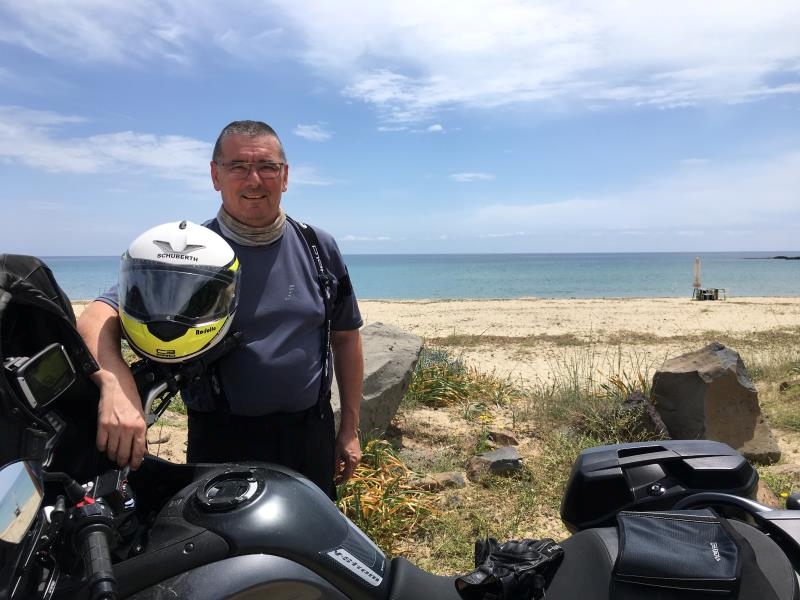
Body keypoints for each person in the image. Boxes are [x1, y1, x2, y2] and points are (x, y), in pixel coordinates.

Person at [76, 120, 364, 499]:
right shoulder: (187, 253)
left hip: (309, 435)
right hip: (221, 439)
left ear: (285, 176)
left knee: (310, 535)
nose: (254, 180)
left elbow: (346, 338)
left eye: (267, 167)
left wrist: (350, 429)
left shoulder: (318, 247)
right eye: (238, 167)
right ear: (216, 175)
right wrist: (116, 385)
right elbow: (97, 317)